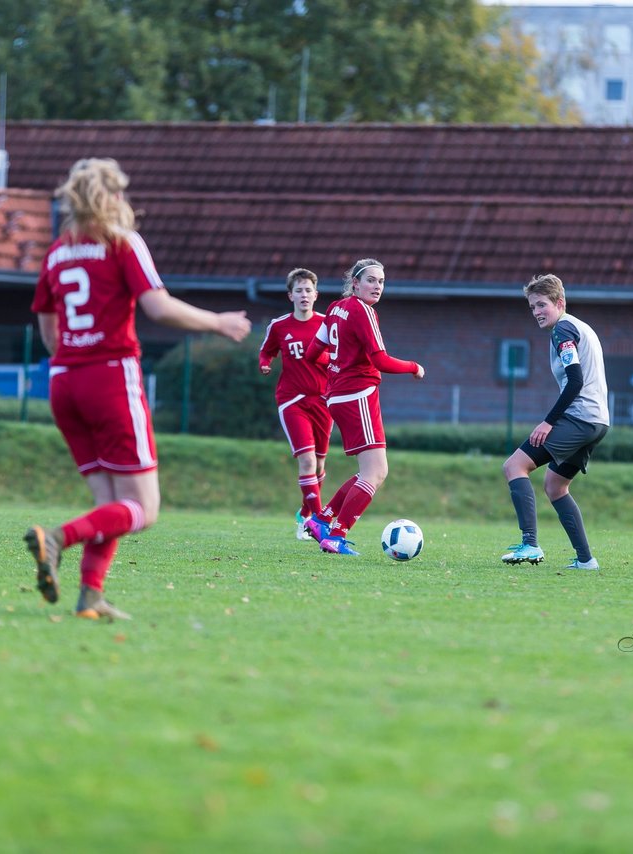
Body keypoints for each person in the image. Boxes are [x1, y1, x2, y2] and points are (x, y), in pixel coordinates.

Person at [26, 158, 251, 620]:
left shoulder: (56, 252)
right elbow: (158, 306)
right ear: (107, 197)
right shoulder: (122, 243)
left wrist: (75, 352)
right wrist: (217, 322)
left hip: (64, 382)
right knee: (143, 509)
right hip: (109, 377)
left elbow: (49, 334)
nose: (125, 201)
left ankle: (90, 596)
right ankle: (57, 538)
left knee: (110, 505)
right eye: (120, 192)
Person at [301, 258, 425, 556]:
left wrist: (336, 368)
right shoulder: (363, 311)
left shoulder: (334, 308)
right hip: (358, 395)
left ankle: (321, 519)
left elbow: (312, 352)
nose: (377, 286)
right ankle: (336, 536)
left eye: (381, 281)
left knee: (366, 472)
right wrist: (413, 367)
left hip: (338, 396)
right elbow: (380, 359)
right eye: (371, 280)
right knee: (377, 472)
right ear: (355, 283)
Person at [500, 274, 610, 570]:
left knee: (514, 466)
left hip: (579, 417)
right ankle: (586, 560)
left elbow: (575, 381)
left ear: (559, 303)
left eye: (541, 305)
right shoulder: (579, 326)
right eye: (532, 307)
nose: (536, 312)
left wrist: (548, 422)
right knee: (556, 486)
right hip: (597, 421)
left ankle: (530, 544)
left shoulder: (563, 329)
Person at [258, 268, 332, 540]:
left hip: (324, 401)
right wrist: (265, 364)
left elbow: (340, 354)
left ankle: (306, 514)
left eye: (308, 290)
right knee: (307, 461)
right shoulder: (279, 326)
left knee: (320, 465)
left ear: (316, 295)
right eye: (298, 290)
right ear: (291, 295)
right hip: (292, 401)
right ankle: (321, 524)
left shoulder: (328, 324)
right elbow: (266, 351)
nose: (304, 295)